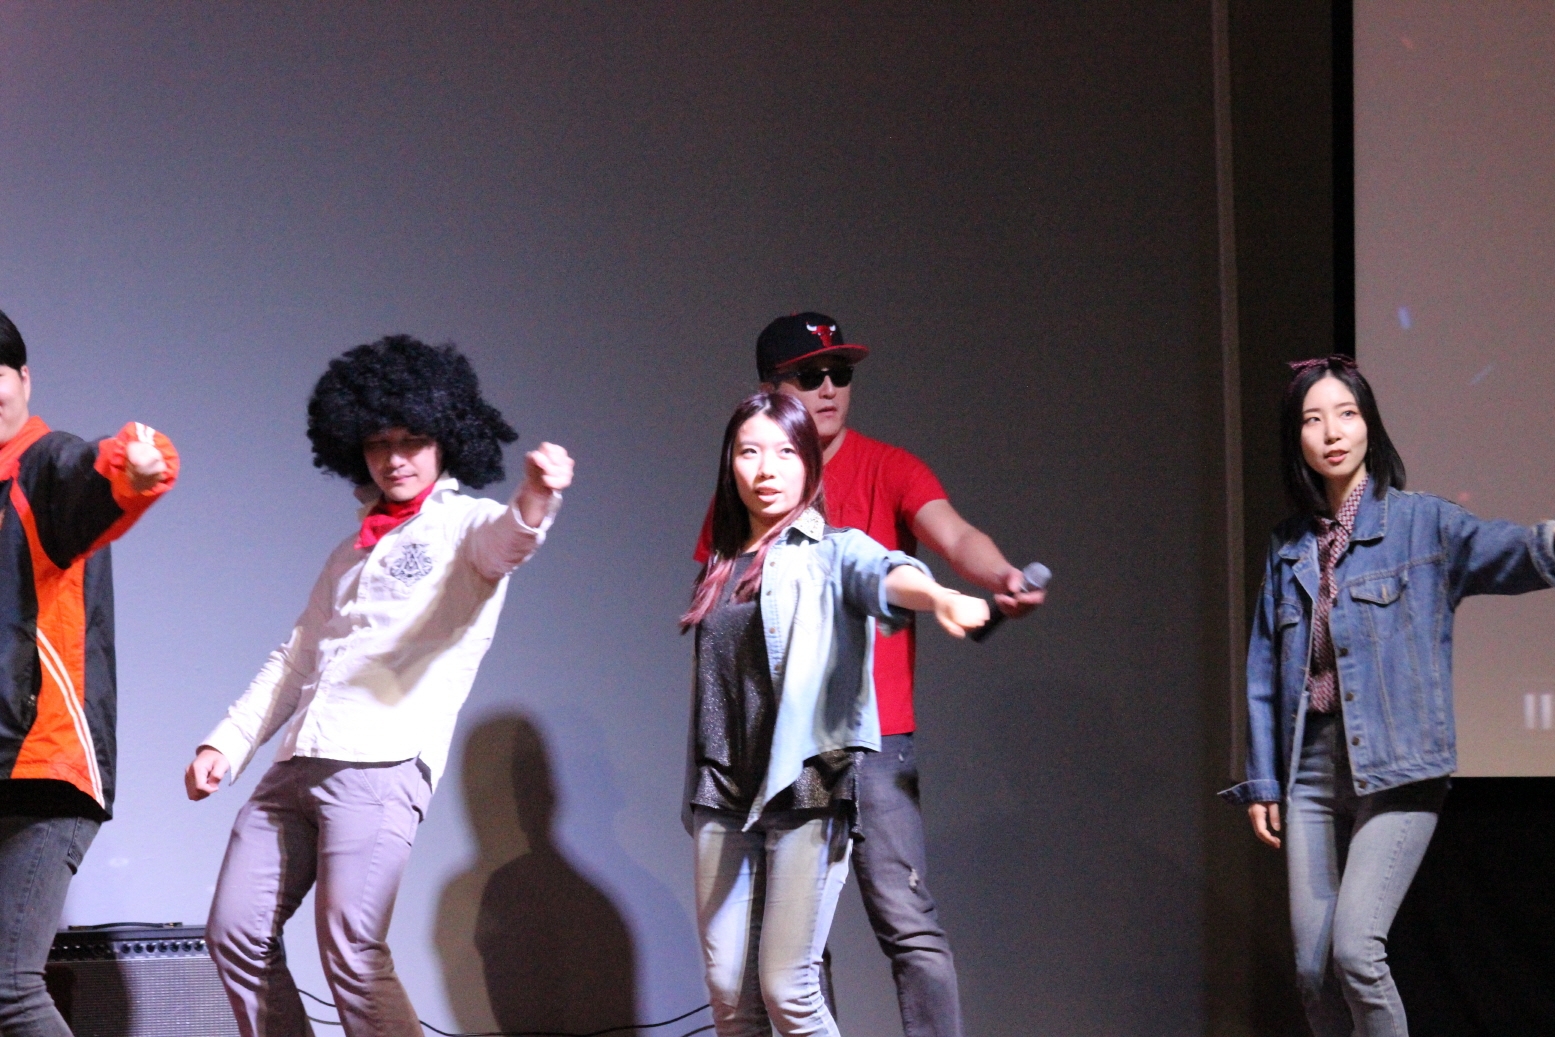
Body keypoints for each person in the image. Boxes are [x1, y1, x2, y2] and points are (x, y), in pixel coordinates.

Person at [184, 334, 572, 1037]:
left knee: (352, 951)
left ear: (446, 438)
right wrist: (228, 742)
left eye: (412, 439)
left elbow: (509, 541)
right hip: (297, 762)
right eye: (377, 443)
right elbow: (296, 656)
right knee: (235, 934)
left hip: (381, 763)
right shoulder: (348, 552)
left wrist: (537, 497)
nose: (394, 458)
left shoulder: (465, 525)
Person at [692, 313, 1042, 1037]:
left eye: (840, 374)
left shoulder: (882, 476)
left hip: (871, 740)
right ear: (770, 390)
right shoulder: (748, 498)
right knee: (777, 961)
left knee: (904, 920)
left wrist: (989, 579)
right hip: (764, 759)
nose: (828, 389)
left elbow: (942, 542)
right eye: (808, 375)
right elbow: (726, 624)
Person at [1220, 355, 1555, 1037]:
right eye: (1313, 419)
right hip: (1311, 770)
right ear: (1296, 438)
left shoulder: (1423, 525)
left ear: (1368, 424)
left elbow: (1521, 552)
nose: (1332, 432)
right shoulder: (1287, 548)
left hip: (1399, 765)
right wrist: (1262, 780)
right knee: (1313, 970)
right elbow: (1263, 670)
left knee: (1355, 952)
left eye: (1346, 414)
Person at [0, 308, 179, 1037]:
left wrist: (133, 469)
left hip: (44, 768)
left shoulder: (43, 466)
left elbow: (93, 481)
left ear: (23, 379)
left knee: (9, 988)